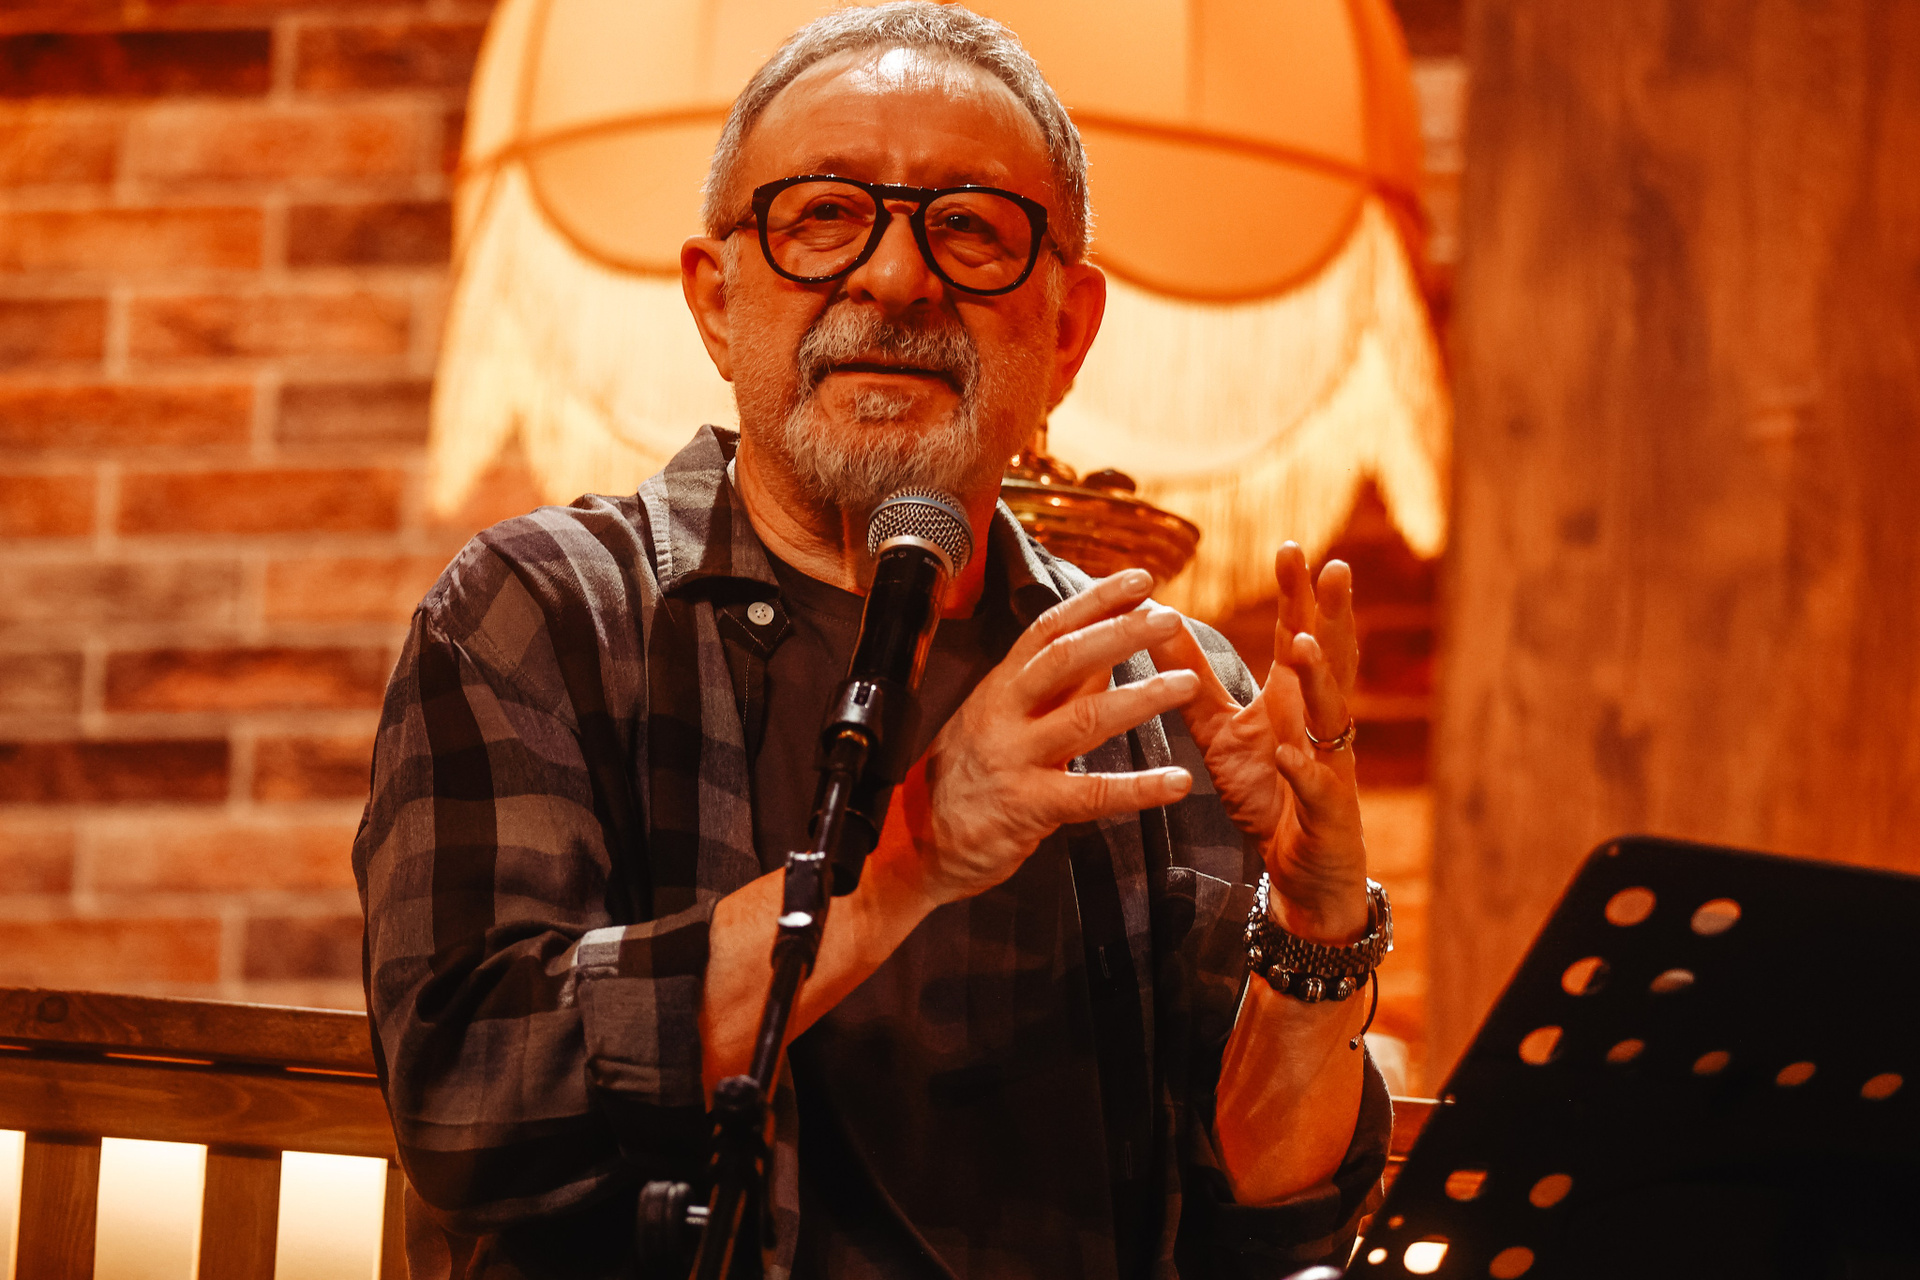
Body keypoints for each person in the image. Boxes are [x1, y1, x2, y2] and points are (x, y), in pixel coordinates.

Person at [354, 5, 1393, 1277]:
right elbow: (472, 1097)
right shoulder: (543, 612)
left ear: (1066, 331)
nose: (896, 277)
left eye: (970, 228)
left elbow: (1270, 1223)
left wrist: (1317, 925)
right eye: (824, 215)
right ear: (717, 299)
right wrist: (911, 860)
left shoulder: (1162, 689)